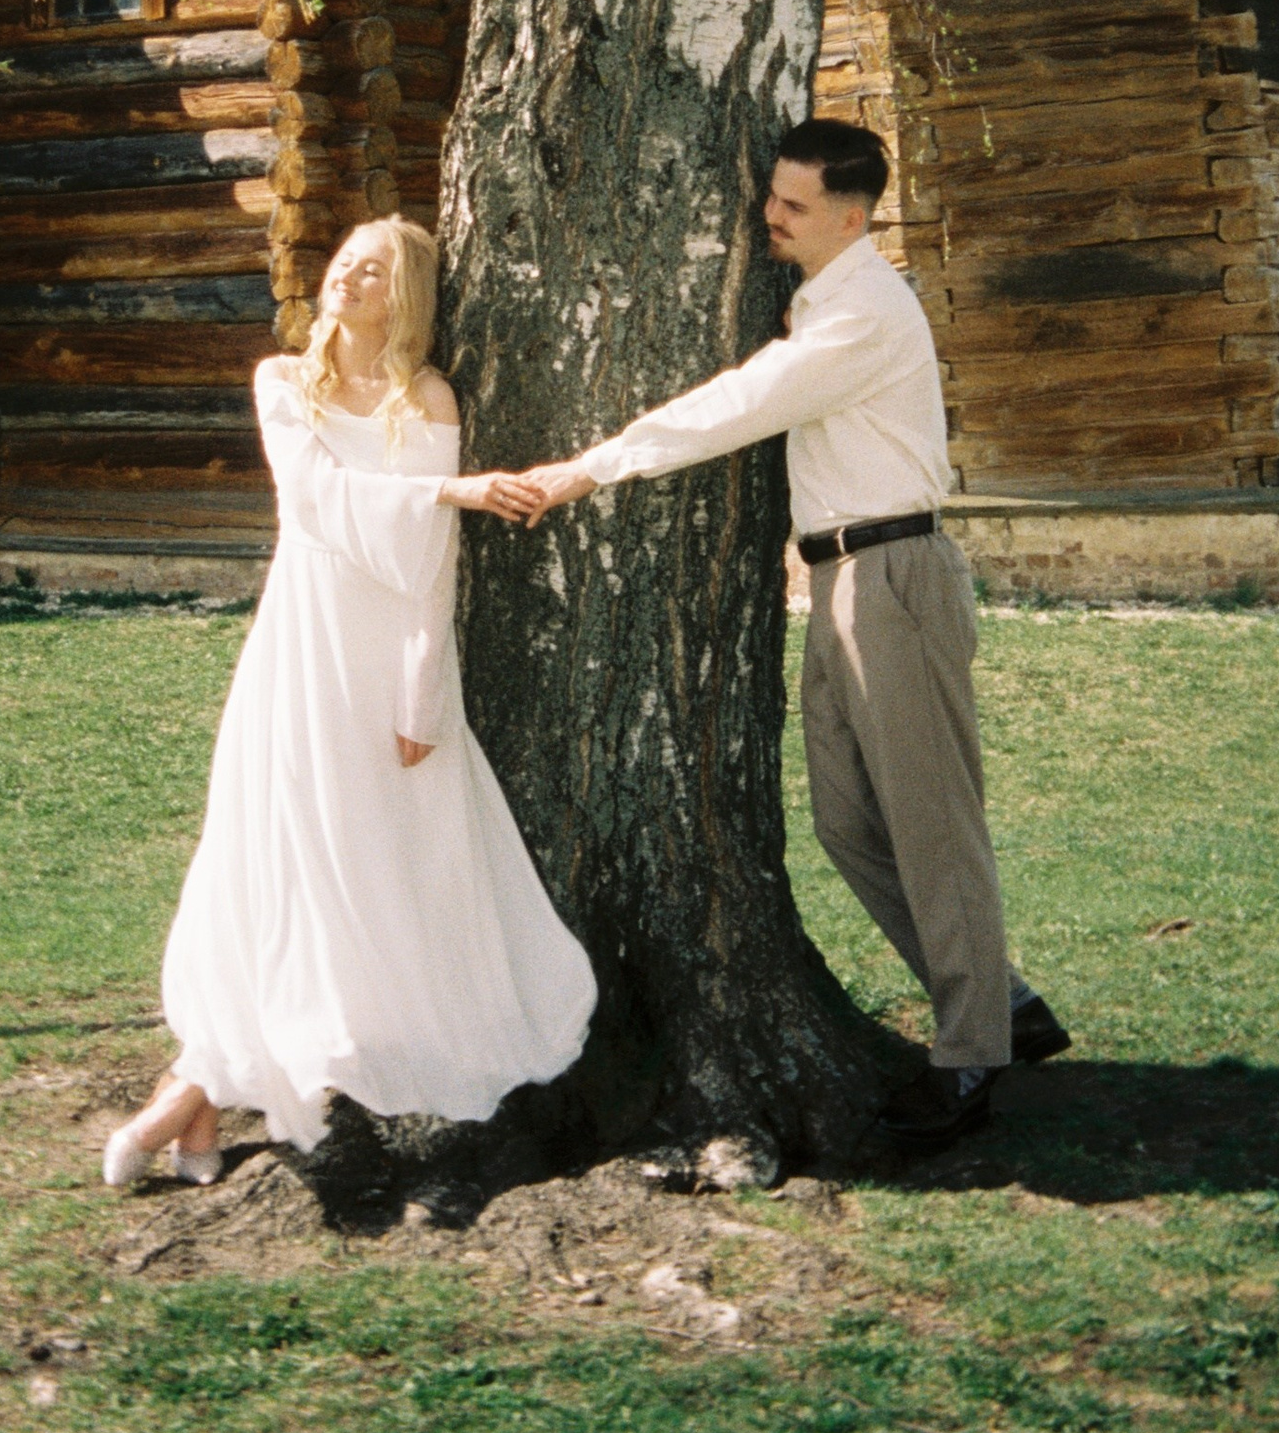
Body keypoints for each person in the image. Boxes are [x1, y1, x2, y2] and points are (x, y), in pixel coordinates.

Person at [519, 119, 1068, 1151]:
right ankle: (1003, 1003)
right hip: (841, 578)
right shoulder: (826, 297)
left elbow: (742, 404)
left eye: (792, 205)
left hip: (894, 579)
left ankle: (971, 1055)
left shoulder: (860, 311)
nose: (766, 216)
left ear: (851, 217)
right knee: (847, 825)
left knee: (930, 826)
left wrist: (583, 470)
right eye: (771, 195)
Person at [102, 216, 596, 1185]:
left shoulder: (427, 398)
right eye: (343, 266)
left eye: (375, 272)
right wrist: (455, 492)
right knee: (275, 868)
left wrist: (421, 694)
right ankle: (192, 1096)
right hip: (302, 652)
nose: (351, 281)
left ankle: (189, 1109)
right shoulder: (283, 384)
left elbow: (425, 571)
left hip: (387, 666)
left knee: (375, 877)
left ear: (406, 295)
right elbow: (317, 496)